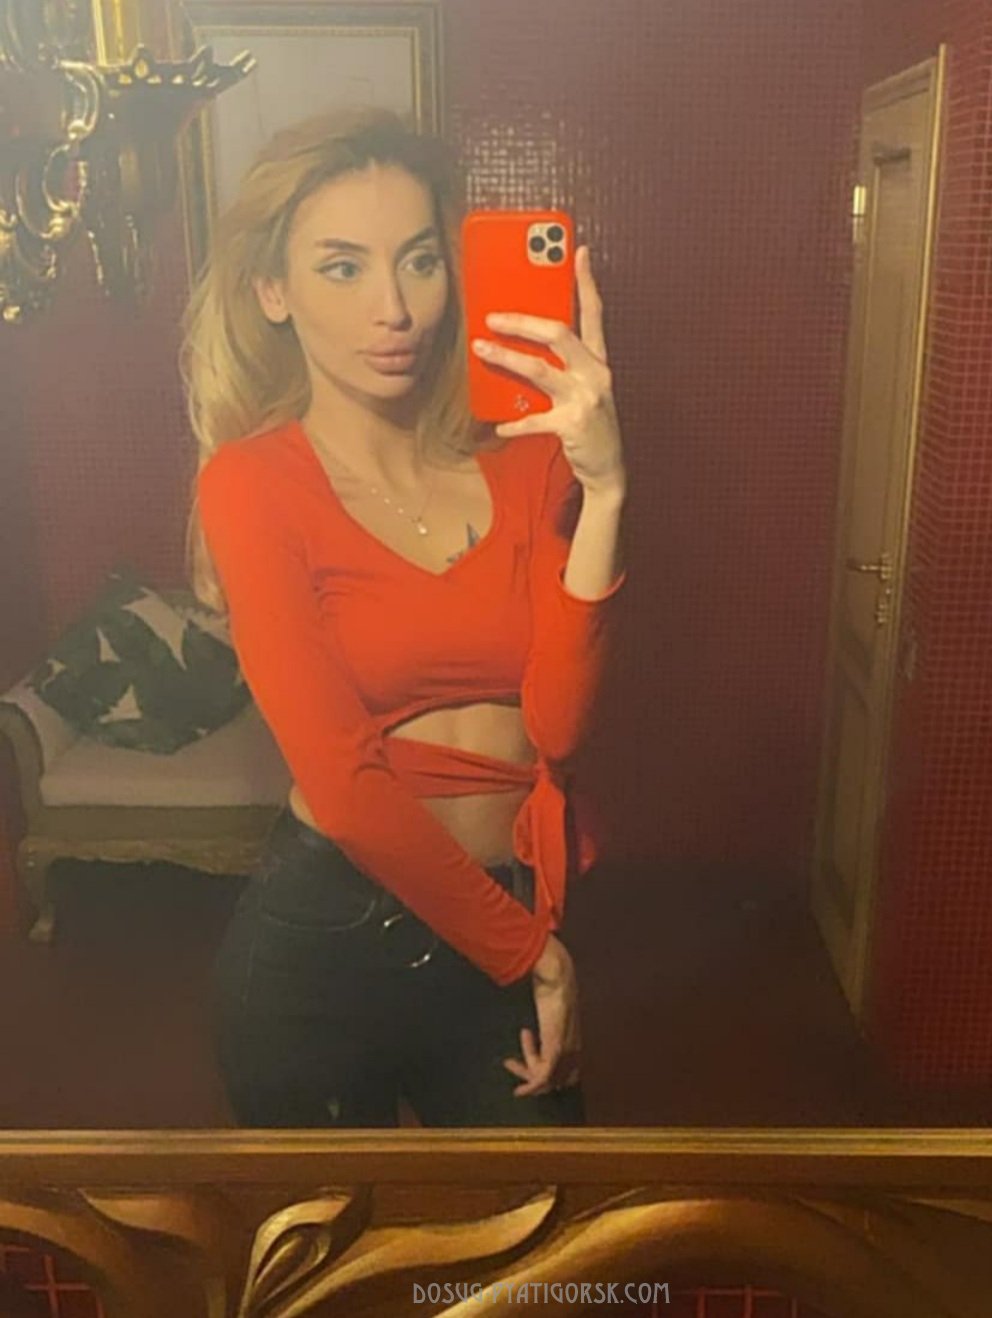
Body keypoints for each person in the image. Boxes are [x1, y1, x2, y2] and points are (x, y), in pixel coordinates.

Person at [182, 107, 627, 1128]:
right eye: (342, 268)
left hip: (505, 905)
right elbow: (342, 786)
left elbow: (558, 727)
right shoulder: (251, 484)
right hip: (326, 943)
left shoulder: (528, 460)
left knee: (541, 1222)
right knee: (329, 1231)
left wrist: (606, 490)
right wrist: (534, 955)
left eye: (419, 262)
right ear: (273, 291)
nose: (395, 309)